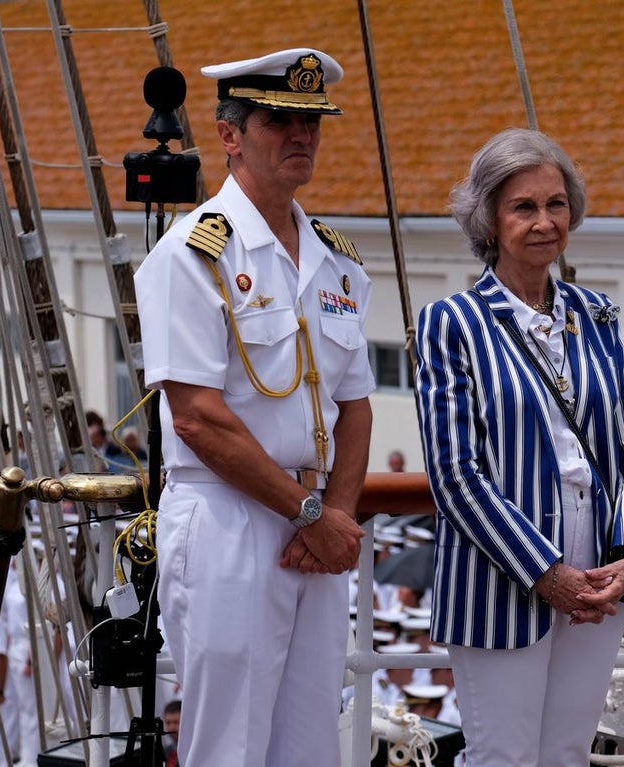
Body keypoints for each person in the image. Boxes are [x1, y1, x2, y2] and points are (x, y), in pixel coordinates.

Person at [134, 48, 372, 766]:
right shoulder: (192, 254)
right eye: (279, 120)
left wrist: (337, 514)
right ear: (230, 135)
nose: (301, 135)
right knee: (229, 748)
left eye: (311, 121)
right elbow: (196, 418)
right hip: (229, 523)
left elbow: (355, 406)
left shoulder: (338, 261)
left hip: (314, 528)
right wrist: (312, 516)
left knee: (308, 748)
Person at [413, 128, 624, 767]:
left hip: (599, 570)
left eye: (556, 204)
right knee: (504, 758)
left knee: (568, 754)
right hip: (505, 570)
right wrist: (545, 574)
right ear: (489, 220)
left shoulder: (597, 314)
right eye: (524, 207)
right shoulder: (452, 322)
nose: (545, 221)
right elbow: (455, 474)